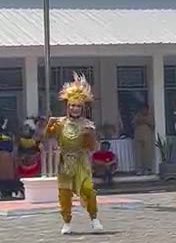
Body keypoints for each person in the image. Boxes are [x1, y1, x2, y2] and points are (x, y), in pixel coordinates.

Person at [45, 72, 103, 234]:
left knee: (87, 189)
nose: (74, 108)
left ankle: (94, 218)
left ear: (82, 108)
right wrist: (48, 125)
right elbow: (45, 138)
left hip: (81, 161)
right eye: (72, 105)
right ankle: (67, 222)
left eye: (78, 106)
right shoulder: (60, 123)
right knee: (64, 193)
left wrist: (89, 135)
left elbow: (92, 147)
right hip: (64, 161)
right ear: (67, 106)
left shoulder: (87, 124)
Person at [15, 117, 42, 198]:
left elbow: (39, 150)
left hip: (33, 161)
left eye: (28, 128)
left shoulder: (36, 139)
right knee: (22, 178)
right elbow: (18, 150)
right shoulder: (20, 139)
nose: (26, 130)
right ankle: (22, 191)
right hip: (23, 161)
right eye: (25, 128)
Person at [132, 104, 154, 175]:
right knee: (138, 154)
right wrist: (139, 121)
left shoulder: (150, 116)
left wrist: (146, 121)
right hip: (138, 136)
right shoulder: (137, 116)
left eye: (145, 109)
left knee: (147, 153)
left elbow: (153, 125)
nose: (144, 111)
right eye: (142, 109)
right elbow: (133, 124)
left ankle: (147, 169)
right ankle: (139, 169)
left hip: (147, 137)